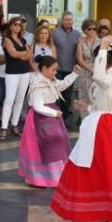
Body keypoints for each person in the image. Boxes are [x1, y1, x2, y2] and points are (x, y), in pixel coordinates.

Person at [51, 37, 112, 222]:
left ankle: (100, 220)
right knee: (95, 169)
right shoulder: (110, 74)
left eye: (98, 56)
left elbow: (99, 77)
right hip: (102, 124)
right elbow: (105, 100)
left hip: (105, 128)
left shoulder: (110, 73)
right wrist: (88, 107)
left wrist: (103, 49)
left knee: (96, 170)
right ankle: (91, 216)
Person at [18, 56, 78, 188]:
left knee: (57, 145)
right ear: (44, 68)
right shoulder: (38, 85)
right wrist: (54, 113)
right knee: (46, 148)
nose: (55, 73)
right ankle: (41, 178)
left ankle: (56, 176)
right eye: (53, 70)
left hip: (51, 118)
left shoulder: (50, 80)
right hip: (41, 120)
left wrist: (74, 74)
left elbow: (61, 86)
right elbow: (38, 106)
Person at [0, 17, 31, 140]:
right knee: (9, 99)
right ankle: (3, 127)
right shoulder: (7, 39)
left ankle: (14, 124)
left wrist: (20, 55)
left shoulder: (23, 39)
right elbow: (12, 54)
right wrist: (22, 54)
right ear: (10, 26)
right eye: (15, 24)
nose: (17, 27)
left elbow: (29, 56)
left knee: (20, 99)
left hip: (25, 72)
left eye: (19, 25)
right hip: (12, 73)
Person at [52, 12, 81, 121]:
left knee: (67, 96)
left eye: (70, 19)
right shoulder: (54, 33)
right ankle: (55, 118)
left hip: (71, 70)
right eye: (66, 19)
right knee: (57, 95)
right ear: (62, 21)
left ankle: (63, 120)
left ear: (73, 21)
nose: (68, 21)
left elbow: (79, 52)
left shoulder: (77, 34)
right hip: (57, 69)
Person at [74, 19, 100, 120]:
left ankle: (96, 120)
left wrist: (96, 70)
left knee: (96, 96)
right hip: (84, 71)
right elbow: (79, 59)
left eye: (94, 28)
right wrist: (90, 69)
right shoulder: (81, 41)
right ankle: (85, 120)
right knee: (84, 96)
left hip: (98, 70)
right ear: (85, 30)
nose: (92, 31)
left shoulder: (101, 41)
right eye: (89, 29)